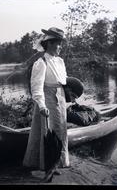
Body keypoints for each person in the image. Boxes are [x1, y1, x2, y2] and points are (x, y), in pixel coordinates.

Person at [22, 27, 83, 182]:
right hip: (47, 99)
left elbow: (63, 80)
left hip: (60, 98)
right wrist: (41, 105)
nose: (60, 47)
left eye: (60, 44)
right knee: (48, 134)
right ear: (49, 44)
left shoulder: (60, 61)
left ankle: (56, 164)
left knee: (61, 131)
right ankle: (45, 168)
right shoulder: (41, 63)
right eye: (57, 44)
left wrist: (70, 94)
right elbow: (36, 87)